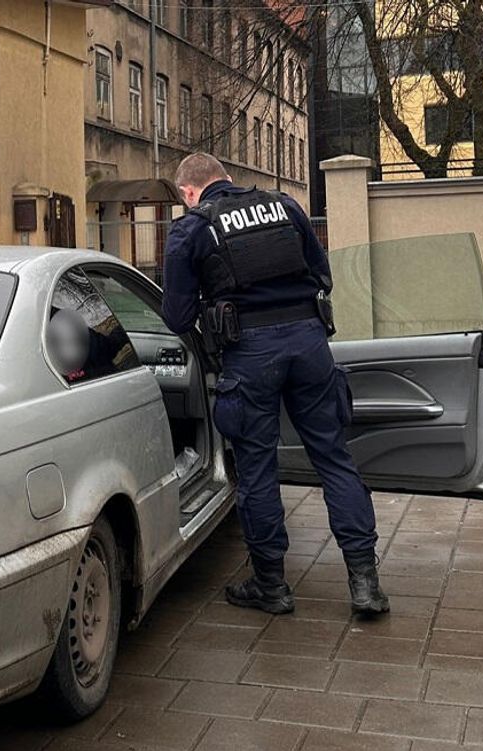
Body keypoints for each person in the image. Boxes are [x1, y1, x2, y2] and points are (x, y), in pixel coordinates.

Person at [161, 152, 388, 617]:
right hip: (309, 345)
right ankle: (365, 583)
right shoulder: (285, 206)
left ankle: (271, 586)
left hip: (249, 356)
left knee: (258, 470)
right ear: (227, 177)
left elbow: (177, 317)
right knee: (334, 459)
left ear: (188, 192)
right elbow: (322, 276)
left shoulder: (193, 227)